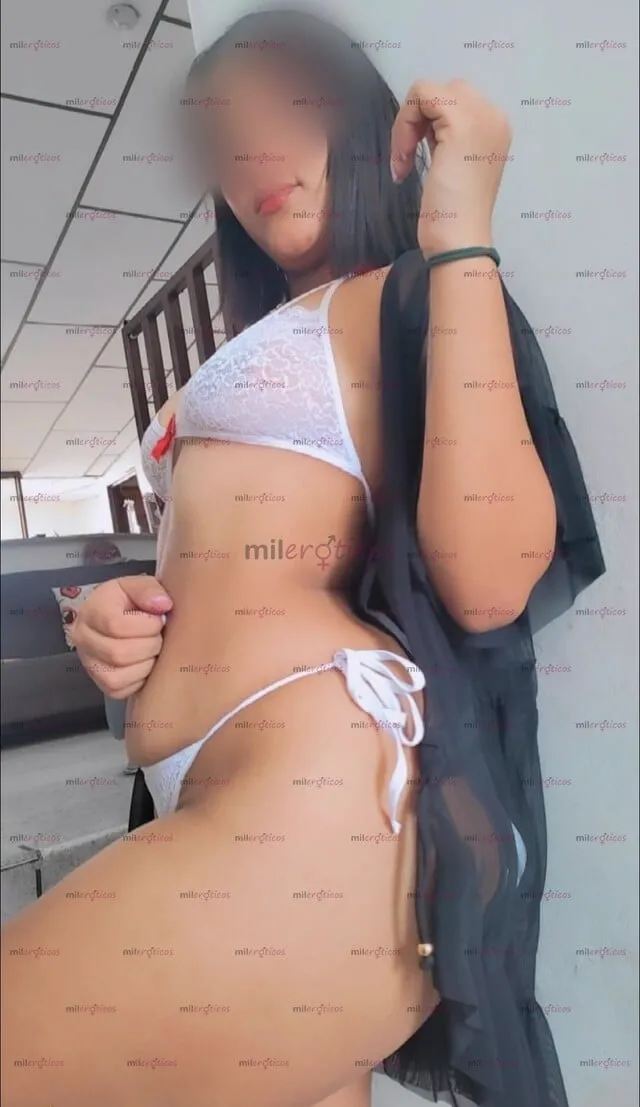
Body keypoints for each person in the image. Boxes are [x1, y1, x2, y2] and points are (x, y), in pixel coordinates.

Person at [1, 9, 604, 1107]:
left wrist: (460, 231)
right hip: (205, 789)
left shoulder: (414, 290)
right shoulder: (265, 334)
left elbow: (487, 583)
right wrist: (123, 614)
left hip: (314, 795)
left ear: (365, 122)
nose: (255, 154)